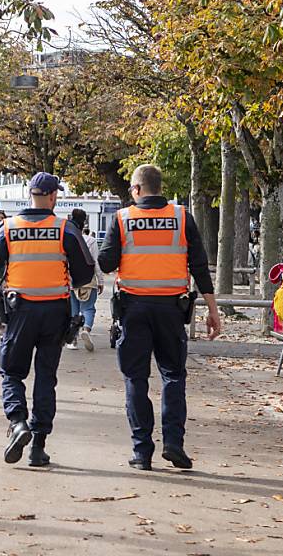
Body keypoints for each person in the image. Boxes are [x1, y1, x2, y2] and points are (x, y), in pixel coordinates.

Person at [98, 164, 222, 471]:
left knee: (136, 379)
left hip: (134, 309)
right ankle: (173, 443)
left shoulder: (122, 219)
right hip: (171, 309)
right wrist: (212, 309)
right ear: (159, 186)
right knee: (173, 376)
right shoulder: (182, 217)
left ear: (137, 189)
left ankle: (142, 451)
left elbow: (105, 261)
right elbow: (199, 265)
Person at [0, 172, 94, 467]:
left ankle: (18, 423)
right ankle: (38, 446)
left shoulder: (8, 227)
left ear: (30, 194)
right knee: (45, 376)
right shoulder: (64, 229)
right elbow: (85, 272)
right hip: (55, 313)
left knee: (12, 373)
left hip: (20, 312)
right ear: (53, 196)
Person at [65, 209, 103, 352]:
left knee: (74, 310)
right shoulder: (91, 240)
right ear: (84, 222)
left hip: (71, 280)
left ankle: (72, 340)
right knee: (88, 308)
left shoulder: (68, 238)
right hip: (88, 279)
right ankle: (86, 328)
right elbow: (95, 261)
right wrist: (100, 281)